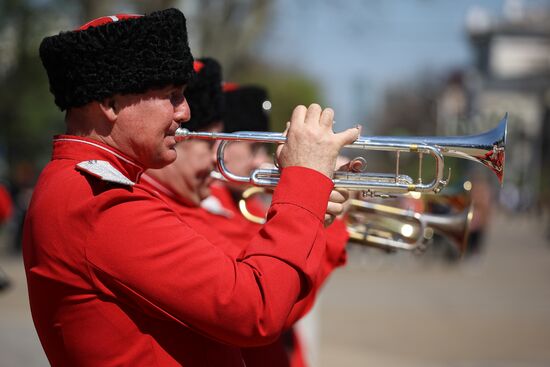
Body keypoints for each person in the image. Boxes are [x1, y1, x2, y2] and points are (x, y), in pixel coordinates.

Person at [23, 8, 360, 366]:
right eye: (171, 95)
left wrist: (305, 213)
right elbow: (253, 310)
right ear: (110, 103)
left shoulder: (90, 189)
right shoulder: (95, 200)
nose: (184, 112)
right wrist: (303, 184)